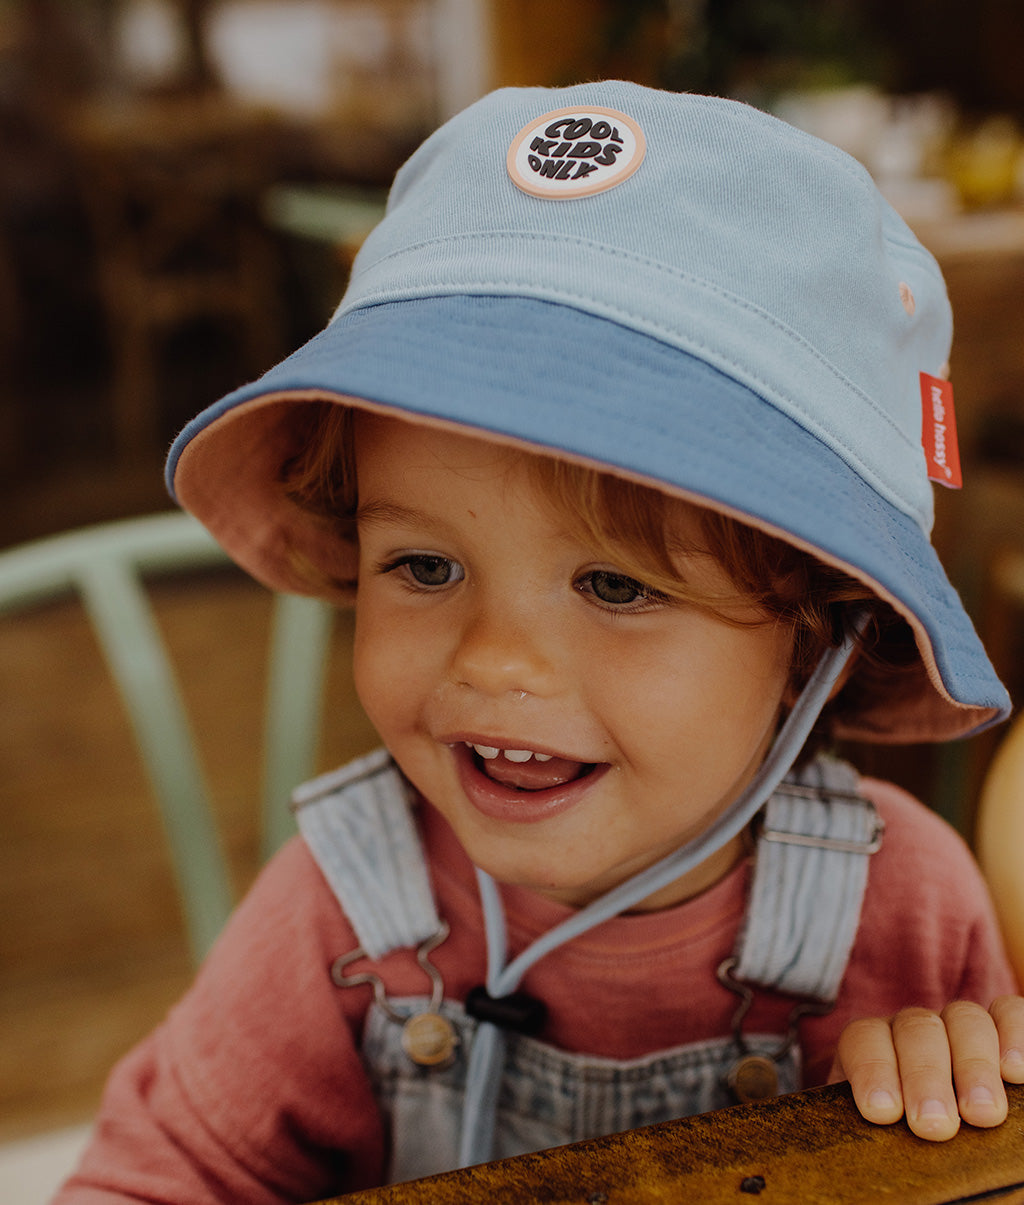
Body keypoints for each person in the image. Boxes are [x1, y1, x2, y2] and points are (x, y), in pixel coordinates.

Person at [56, 81, 1023, 1203]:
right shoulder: (344, 909)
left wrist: (952, 1103)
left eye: (616, 582)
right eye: (424, 567)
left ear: (815, 634)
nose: (496, 664)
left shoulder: (905, 906)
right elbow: (152, 1173)